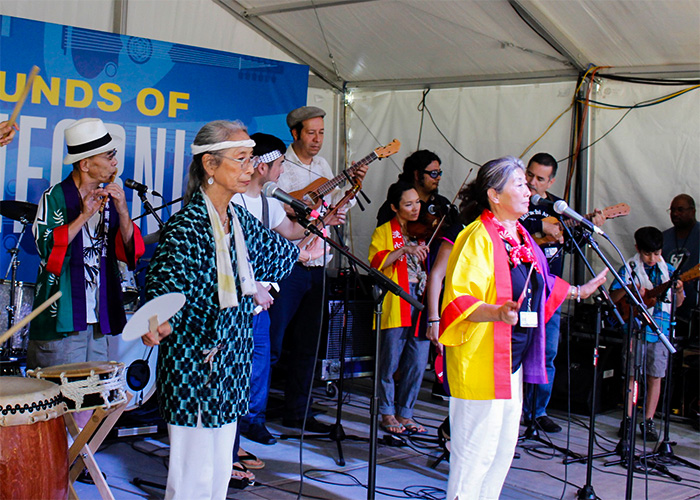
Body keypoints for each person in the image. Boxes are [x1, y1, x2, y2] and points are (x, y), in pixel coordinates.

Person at [145, 120, 298, 500]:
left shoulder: (240, 220)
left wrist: (318, 226)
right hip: (197, 369)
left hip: (231, 367)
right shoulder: (187, 226)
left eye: (252, 159)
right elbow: (164, 289)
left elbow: (281, 255)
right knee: (193, 479)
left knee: (217, 477)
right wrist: (158, 320)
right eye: (242, 159)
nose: (251, 168)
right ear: (210, 166)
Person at [439, 156, 607, 500]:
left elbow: (543, 285)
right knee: (475, 453)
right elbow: (458, 300)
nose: (528, 189)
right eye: (518, 183)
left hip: (511, 360)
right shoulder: (476, 237)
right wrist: (496, 312)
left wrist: (579, 291)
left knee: (501, 450)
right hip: (482, 361)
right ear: (494, 195)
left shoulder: (519, 236)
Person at [230, 132, 324, 480]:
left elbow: (291, 232)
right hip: (238, 302)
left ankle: (245, 430)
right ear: (262, 164)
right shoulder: (234, 202)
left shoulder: (268, 203)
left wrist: (323, 224)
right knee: (236, 373)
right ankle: (231, 444)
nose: (283, 170)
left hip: (261, 303)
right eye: (281, 163)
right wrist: (253, 286)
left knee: (258, 367)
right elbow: (232, 254)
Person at [267, 106, 367, 432]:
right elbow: (277, 207)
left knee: (310, 343)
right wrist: (305, 212)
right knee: (273, 343)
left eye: (322, 132)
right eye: (311, 133)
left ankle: (298, 410)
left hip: (319, 264)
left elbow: (336, 207)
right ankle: (254, 412)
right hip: (288, 265)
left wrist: (351, 190)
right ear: (295, 133)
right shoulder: (281, 166)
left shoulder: (324, 166)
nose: (317, 139)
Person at [28, 117, 144, 369]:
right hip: (61, 316)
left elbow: (129, 253)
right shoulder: (55, 196)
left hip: (98, 317)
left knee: (93, 397)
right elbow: (49, 252)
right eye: (109, 155)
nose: (115, 161)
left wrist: (123, 211)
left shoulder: (110, 197)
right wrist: (83, 216)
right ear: (85, 163)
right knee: (61, 397)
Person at [518, 152, 604, 433]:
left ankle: (537, 411)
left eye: (539, 178)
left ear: (551, 181)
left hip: (550, 291)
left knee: (547, 352)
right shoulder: (516, 199)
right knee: (515, 351)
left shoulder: (558, 209)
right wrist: (539, 227)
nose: (531, 182)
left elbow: (569, 244)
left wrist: (589, 226)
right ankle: (514, 410)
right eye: (529, 174)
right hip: (518, 290)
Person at [610, 226, 684, 442]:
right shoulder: (628, 269)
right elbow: (613, 298)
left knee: (655, 376)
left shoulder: (669, 270)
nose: (652, 258)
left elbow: (679, 303)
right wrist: (627, 287)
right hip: (635, 329)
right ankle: (629, 418)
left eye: (657, 253)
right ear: (637, 249)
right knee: (632, 375)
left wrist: (678, 290)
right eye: (647, 253)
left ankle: (649, 420)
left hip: (660, 330)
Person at [369, 181, 430, 435]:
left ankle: (406, 412)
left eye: (417, 202)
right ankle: (386, 411)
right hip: (396, 301)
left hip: (421, 299)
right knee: (389, 361)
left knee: (417, 361)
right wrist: (404, 248)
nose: (415, 208)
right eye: (408, 204)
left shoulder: (423, 231)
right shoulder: (384, 231)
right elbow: (375, 263)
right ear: (395, 207)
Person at [376, 149, 457, 228]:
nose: (438, 177)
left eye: (439, 173)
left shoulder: (442, 203)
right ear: (417, 175)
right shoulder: (395, 205)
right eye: (434, 173)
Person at [662, 194, 699, 336]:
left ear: (693, 211)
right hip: (666, 309)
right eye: (672, 210)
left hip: (693, 309)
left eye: (680, 209)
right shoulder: (664, 237)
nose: (675, 214)